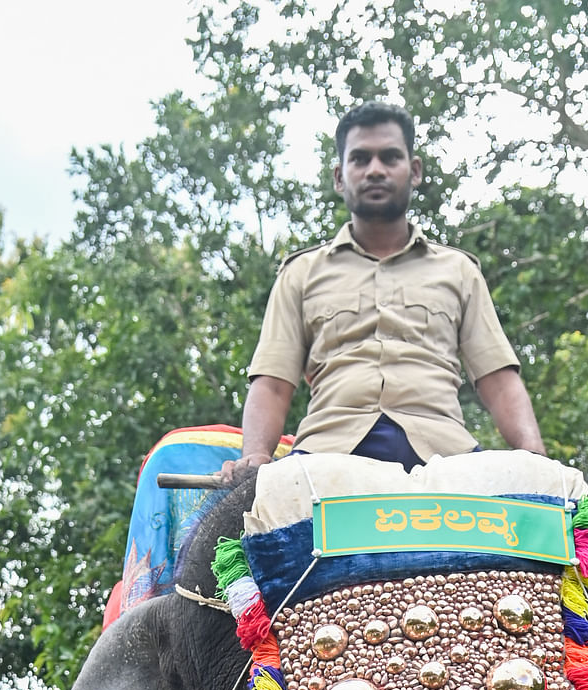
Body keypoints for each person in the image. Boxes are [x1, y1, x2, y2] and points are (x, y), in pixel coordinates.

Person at [220, 100, 545, 483]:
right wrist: (256, 457)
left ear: (415, 170)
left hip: (446, 456)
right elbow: (273, 383)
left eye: (390, 157)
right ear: (340, 177)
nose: (375, 170)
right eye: (360, 159)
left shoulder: (459, 271)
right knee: (231, 536)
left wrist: (535, 459)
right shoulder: (301, 274)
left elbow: (498, 380)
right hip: (325, 458)